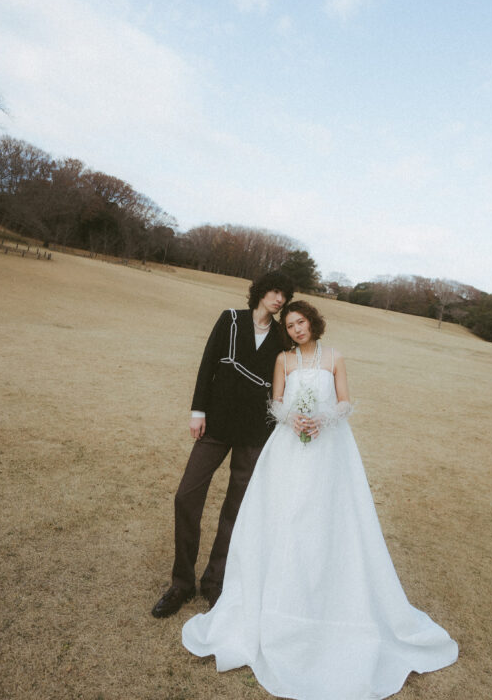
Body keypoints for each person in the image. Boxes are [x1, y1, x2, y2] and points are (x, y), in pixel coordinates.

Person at [182, 300, 458, 699]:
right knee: (286, 516)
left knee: (326, 518)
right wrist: (290, 417)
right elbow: (276, 401)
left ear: (313, 323)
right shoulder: (283, 360)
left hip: (329, 447)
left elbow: (345, 402)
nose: (296, 329)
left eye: (301, 322)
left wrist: (323, 418)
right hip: (288, 445)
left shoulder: (335, 358)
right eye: (290, 325)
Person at [151, 270, 294, 618]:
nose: (279, 299)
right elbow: (207, 365)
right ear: (261, 291)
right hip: (216, 424)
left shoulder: (282, 336)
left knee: (236, 509)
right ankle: (181, 583)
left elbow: (291, 377)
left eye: (284, 295)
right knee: (186, 496)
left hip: (256, 432)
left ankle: (214, 581)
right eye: (274, 291)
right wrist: (197, 411)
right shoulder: (230, 320)